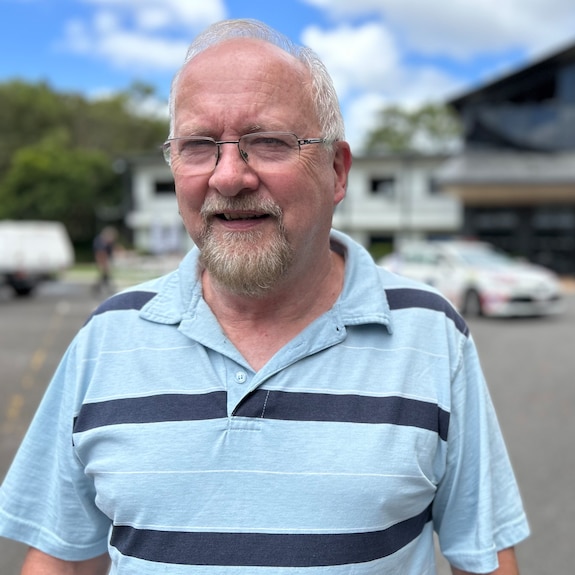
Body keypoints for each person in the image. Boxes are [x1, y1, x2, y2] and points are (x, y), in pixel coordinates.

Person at [0, 18, 528, 575]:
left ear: (337, 170)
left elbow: (483, 558)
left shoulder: (431, 334)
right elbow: (63, 557)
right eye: (199, 146)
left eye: (268, 142)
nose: (229, 177)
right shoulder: (106, 338)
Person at [91, 226, 118, 295]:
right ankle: (99, 287)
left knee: (104, 275)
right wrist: (103, 264)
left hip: (105, 259)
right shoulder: (100, 242)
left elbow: (112, 250)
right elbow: (100, 254)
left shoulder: (107, 243)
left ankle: (99, 287)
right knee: (104, 274)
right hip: (102, 259)